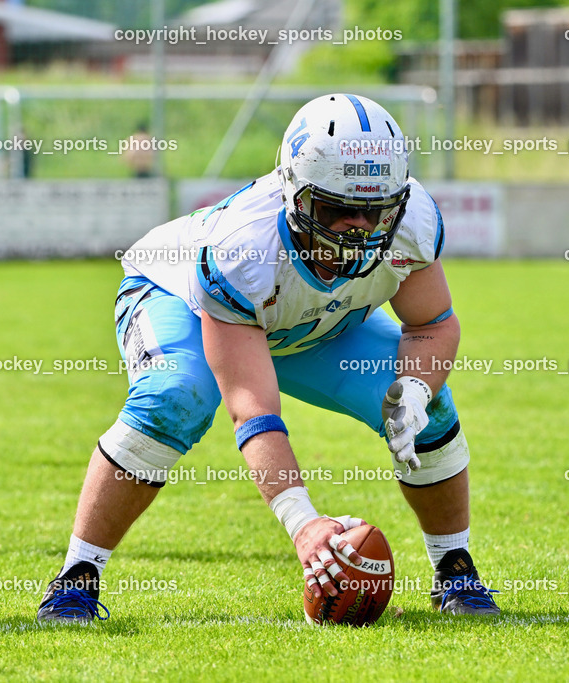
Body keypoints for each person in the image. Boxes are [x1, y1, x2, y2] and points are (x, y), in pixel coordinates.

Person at [36, 93, 500, 623]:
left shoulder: (412, 222)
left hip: (310, 322)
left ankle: (455, 571)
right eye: (335, 210)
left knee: (428, 409)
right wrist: (304, 525)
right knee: (175, 397)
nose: (355, 231)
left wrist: (414, 391)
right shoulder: (242, 250)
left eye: (373, 213)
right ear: (294, 193)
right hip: (180, 298)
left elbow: (432, 324)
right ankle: (77, 576)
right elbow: (252, 410)